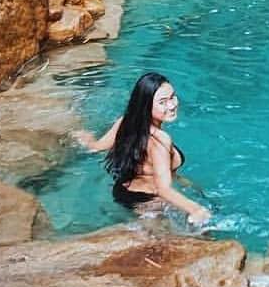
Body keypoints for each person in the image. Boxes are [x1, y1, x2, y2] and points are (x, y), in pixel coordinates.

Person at [79, 72, 211, 226]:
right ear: (146, 105)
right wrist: (195, 209)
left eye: (172, 97)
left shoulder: (128, 121)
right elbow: (164, 189)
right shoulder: (159, 140)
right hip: (147, 201)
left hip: (124, 189)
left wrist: (79, 134)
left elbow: (96, 147)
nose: (172, 105)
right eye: (162, 102)